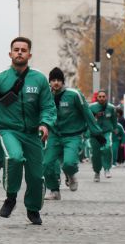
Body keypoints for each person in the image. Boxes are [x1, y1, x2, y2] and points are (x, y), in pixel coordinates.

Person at [0, 37, 56, 225]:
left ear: (29, 55)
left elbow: (48, 106)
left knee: (35, 175)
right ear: (10, 54)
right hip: (8, 130)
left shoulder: (40, 79)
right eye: (16, 49)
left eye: (23, 50)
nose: (19, 52)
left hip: (33, 133)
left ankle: (33, 209)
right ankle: (11, 196)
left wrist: (45, 123)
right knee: (14, 157)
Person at [43, 68, 100, 200]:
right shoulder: (46, 97)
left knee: (68, 163)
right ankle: (54, 191)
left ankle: (71, 175)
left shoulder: (74, 94)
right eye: (53, 80)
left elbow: (87, 113)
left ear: (63, 82)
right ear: (49, 82)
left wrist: (97, 132)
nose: (56, 83)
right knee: (46, 164)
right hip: (55, 135)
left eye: (58, 80)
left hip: (72, 135)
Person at [89, 89, 118, 181]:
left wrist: (115, 128)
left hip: (106, 132)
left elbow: (114, 119)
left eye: (103, 96)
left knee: (107, 147)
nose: (101, 98)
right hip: (95, 134)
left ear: (106, 97)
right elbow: (88, 119)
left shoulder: (111, 108)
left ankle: (107, 169)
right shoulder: (91, 107)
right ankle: (97, 172)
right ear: (97, 98)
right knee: (95, 154)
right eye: (100, 97)